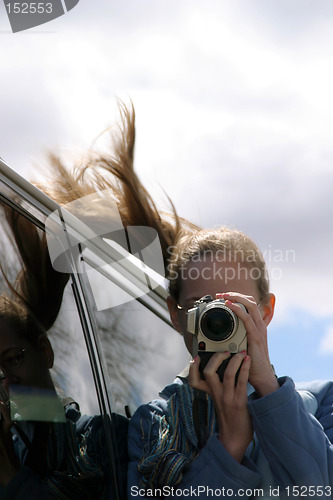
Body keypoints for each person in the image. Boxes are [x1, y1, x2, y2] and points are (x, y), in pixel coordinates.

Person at [34, 103, 333, 497]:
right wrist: (228, 446)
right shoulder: (150, 427)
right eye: (202, 306)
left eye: (235, 305)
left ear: (266, 310)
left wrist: (268, 390)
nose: (219, 319)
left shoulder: (321, 402)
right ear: (176, 316)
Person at [0, 206, 128, 499]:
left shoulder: (106, 439)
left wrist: (11, 476)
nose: (6, 381)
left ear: (45, 351)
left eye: (12, 359)